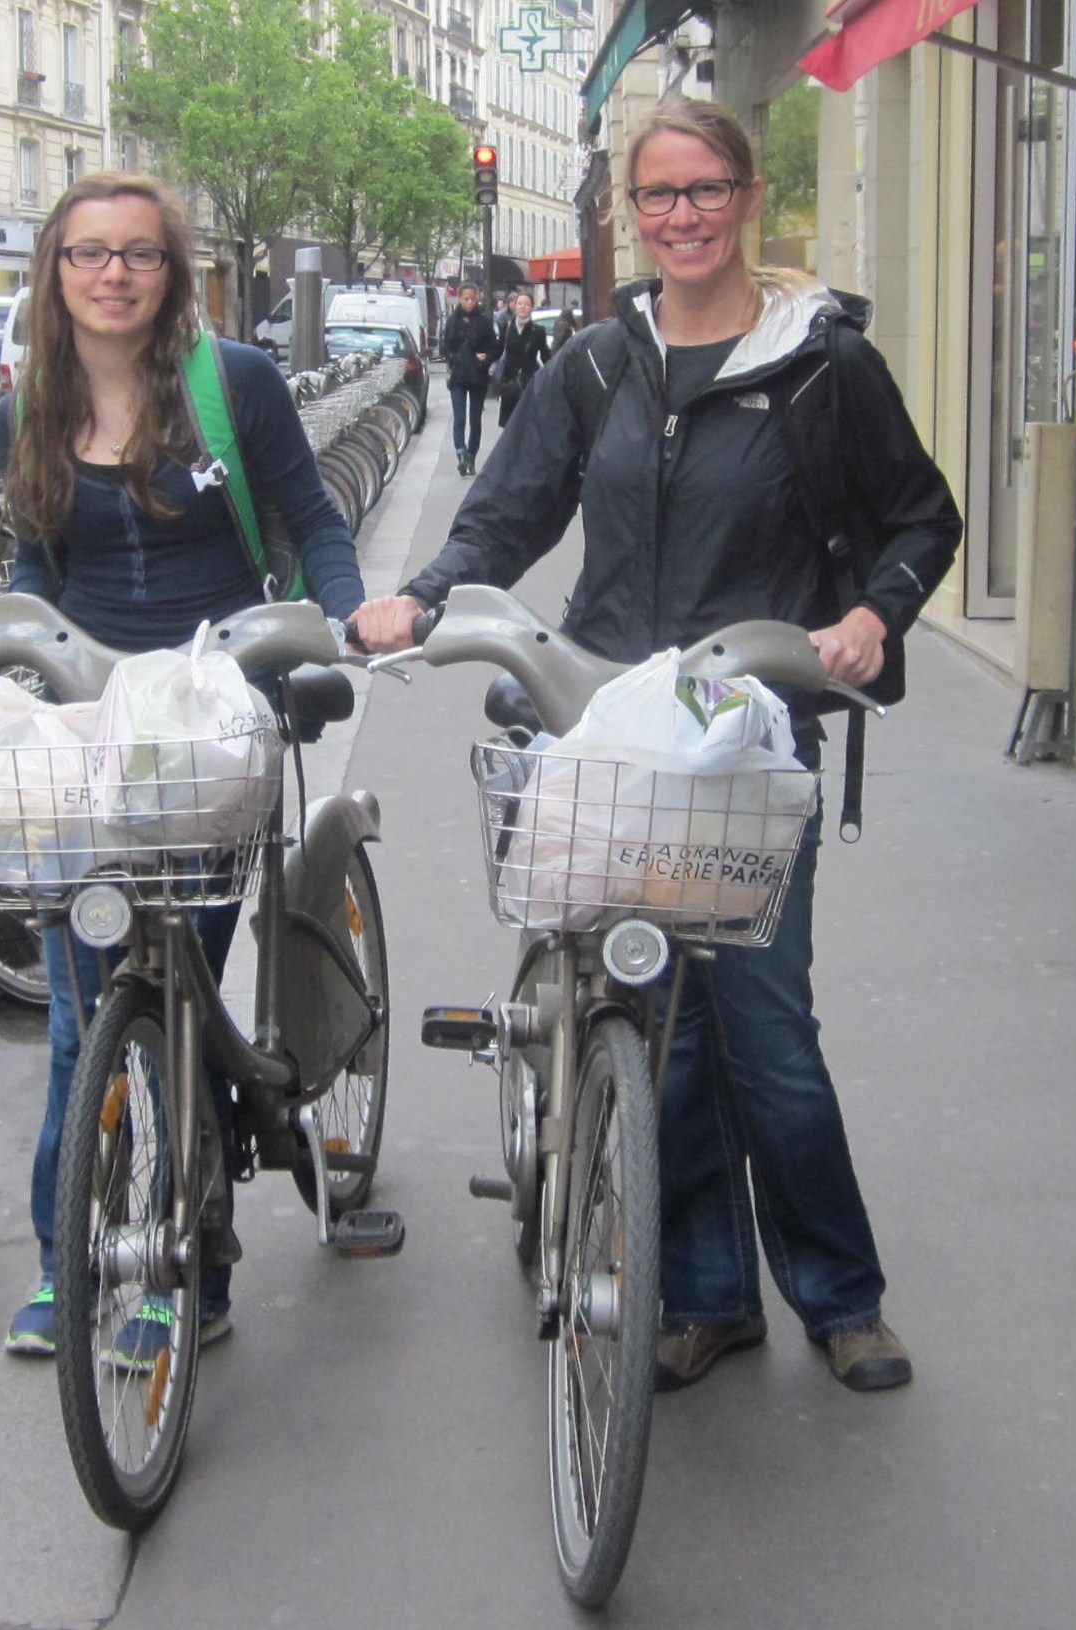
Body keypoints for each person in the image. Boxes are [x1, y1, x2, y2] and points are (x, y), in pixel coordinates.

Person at [352, 99, 962, 1394]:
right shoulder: (594, 364)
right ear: (633, 213)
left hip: (747, 729)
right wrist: (429, 591)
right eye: (657, 196)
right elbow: (508, 507)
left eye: (703, 190)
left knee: (764, 1024)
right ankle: (700, 1292)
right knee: (656, 1022)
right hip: (609, 721)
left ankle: (839, 1297)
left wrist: (867, 614)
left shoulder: (818, 363)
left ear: (744, 198)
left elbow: (920, 518)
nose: (679, 215)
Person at [0, 172, 366, 1360]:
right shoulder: (25, 402)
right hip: (84, 719)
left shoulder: (236, 385)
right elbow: (35, 559)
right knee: (83, 1018)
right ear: (53, 270)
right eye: (87, 254)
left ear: (172, 272)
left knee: (173, 1002)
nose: (111, 274)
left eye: (137, 254)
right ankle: (72, 1264)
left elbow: (311, 522)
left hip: (210, 717)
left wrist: (349, 611)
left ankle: (191, 1271)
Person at [440, 284, 497, 477]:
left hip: (478, 375)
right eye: (466, 298)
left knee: (475, 419)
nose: (470, 302)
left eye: (473, 299)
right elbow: (444, 346)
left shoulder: (484, 322)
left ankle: (472, 455)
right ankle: (460, 453)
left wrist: (486, 357)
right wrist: (453, 358)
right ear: (460, 299)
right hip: (458, 375)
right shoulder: (452, 321)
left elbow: (494, 347)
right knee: (459, 417)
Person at [490, 290, 547, 430]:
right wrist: (484, 361)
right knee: (509, 424)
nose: (523, 307)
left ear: (532, 308)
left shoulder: (538, 330)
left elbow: (546, 355)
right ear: (514, 306)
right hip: (509, 381)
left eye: (527, 304)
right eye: (520, 303)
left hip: (529, 380)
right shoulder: (507, 327)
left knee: (527, 423)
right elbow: (498, 350)